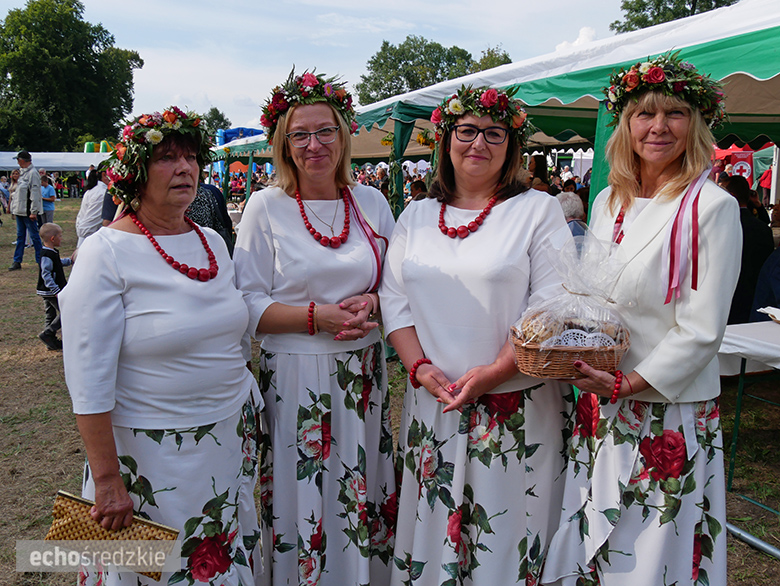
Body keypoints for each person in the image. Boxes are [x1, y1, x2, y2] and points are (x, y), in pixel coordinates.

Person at [542, 52, 741, 586]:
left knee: (653, 543)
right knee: (597, 532)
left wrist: (629, 382)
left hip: (662, 405)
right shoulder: (608, 198)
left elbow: (702, 329)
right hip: (601, 398)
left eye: (673, 114)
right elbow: (593, 293)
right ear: (624, 125)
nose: (658, 127)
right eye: (644, 114)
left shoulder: (712, 207)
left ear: (695, 124)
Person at [60, 106, 263, 585]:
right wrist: (108, 481)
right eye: (166, 158)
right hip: (148, 462)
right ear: (134, 173)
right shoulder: (104, 253)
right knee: (154, 573)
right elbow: (87, 381)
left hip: (223, 447)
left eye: (190, 157)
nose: (185, 168)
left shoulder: (212, 240)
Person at [379, 86, 571, 585]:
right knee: (435, 531)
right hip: (433, 404)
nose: (478, 143)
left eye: (494, 132)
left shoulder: (537, 210)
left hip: (513, 404)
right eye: (466, 130)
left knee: (505, 534)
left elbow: (550, 306)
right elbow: (393, 299)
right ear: (446, 139)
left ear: (511, 144)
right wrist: (419, 368)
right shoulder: (416, 215)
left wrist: (495, 372)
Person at [234, 70, 397, 586]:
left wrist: (373, 303)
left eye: (324, 130)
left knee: (359, 484)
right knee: (305, 491)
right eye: (300, 134)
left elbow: (399, 287)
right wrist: (315, 317)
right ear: (284, 143)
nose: (313, 144)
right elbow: (245, 304)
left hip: (363, 372)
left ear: (343, 134)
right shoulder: (265, 207)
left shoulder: (371, 202)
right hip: (296, 376)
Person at [721, 175, 774, 324]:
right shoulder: (762, 228)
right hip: (754, 297)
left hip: (728, 296)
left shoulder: (724, 225)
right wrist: (758, 206)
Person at [36, 222, 72, 350]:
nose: (62, 238)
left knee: (50, 314)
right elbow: (46, 274)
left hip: (47, 291)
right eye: (60, 236)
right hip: (51, 291)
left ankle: (49, 341)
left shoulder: (50, 252)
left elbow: (57, 263)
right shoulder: (47, 255)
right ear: (53, 238)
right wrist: (56, 290)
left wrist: (70, 260)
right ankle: (48, 333)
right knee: (66, 311)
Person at [8, 151, 43, 271]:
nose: (17, 162)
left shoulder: (33, 173)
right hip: (20, 211)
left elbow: (35, 193)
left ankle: (40, 259)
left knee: (34, 236)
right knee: (20, 236)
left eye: (18, 160)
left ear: (23, 160)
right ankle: (17, 261)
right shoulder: (22, 173)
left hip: (28, 212)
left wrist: (34, 211)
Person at [74, 164, 109, 246]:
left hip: (87, 239)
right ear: (104, 175)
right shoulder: (102, 193)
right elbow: (88, 226)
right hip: (90, 242)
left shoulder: (95, 190)